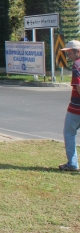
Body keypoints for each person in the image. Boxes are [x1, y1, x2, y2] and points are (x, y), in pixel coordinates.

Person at [59, 40, 80, 171]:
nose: (69, 56)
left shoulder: (76, 66)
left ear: (77, 52)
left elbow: (78, 87)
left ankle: (72, 164)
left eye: (70, 53)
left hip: (76, 108)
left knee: (69, 133)